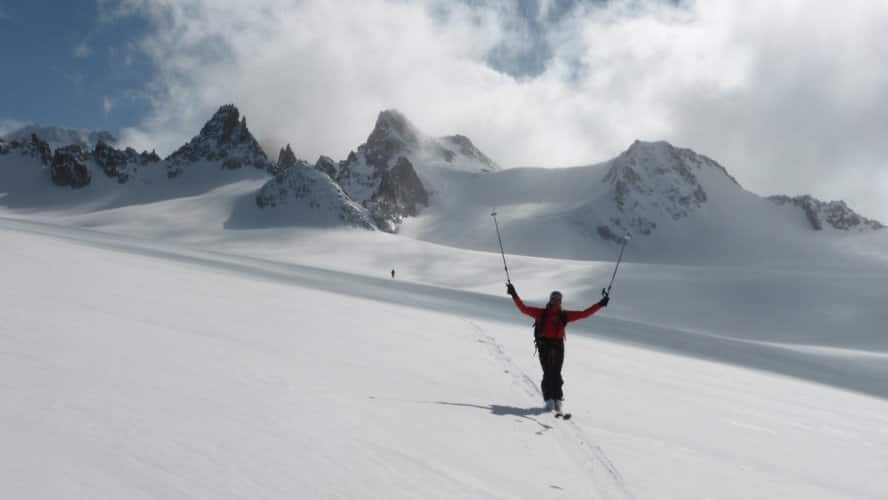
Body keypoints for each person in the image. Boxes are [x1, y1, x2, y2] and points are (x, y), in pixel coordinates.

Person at [506, 283, 609, 413]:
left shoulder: (564, 315)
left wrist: (600, 304)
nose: (555, 301)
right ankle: (549, 399)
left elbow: (584, 314)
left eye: (558, 299)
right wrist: (514, 294)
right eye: (553, 298)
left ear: (560, 301)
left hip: (558, 345)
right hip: (544, 345)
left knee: (556, 373)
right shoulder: (542, 313)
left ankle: (558, 400)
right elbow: (524, 309)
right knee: (548, 373)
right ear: (550, 300)